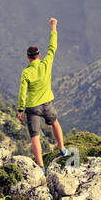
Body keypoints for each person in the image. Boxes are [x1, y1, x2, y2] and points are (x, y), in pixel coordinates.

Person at [17, 17, 67, 168]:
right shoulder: (46, 64)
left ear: (28, 57)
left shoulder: (26, 73)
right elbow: (53, 47)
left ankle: (41, 166)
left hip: (33, 108)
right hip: (47, 103)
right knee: (55, 123)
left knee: (35, 137)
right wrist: (53, 27)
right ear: (38, 55)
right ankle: (62, 149)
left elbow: (22, 92)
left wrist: (20, 109)